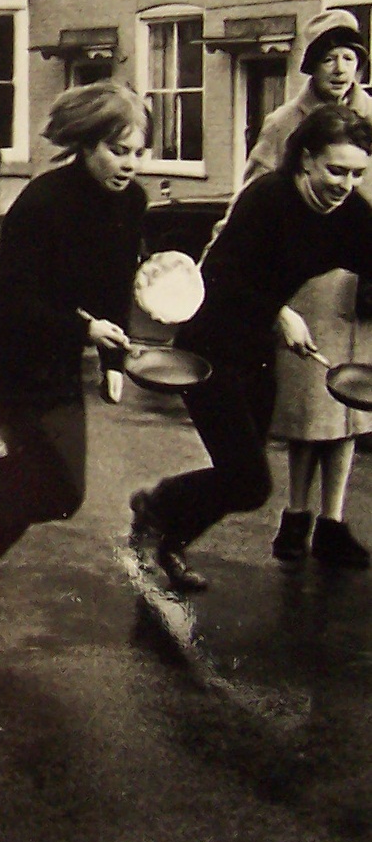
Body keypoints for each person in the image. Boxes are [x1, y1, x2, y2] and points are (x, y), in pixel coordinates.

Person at [0, 82, 149, 641]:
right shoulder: (42, 203)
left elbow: (118, 284)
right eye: (118, 151)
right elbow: (16, 296)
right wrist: (84, 327)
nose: (129, 165)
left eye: (138, 152)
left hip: (60, 355)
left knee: (59, 490)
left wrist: (113, 358)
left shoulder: (132, 201)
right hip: (7, 355)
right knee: (13, 482)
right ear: (87, 145)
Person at [131, 104, 372, 592]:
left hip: (257, 353)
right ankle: (160, 510)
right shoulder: (267, 199)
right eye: (336, 170)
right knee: (250, 481)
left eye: (357, 172)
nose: (345, 183)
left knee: (240, 477)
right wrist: (280, 313)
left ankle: (167, 526)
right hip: (208, 349)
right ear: (305, 160)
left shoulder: (349, 212)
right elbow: (218, 274)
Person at [236, 8, 372, 569]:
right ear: (310, 63)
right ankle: (295, 516)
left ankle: (334, 521)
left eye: (350, 57)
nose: (340, 69)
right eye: (328, 57)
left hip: (361, 274)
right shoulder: (284, 122)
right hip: (306, 281)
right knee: (309, 404)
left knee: (351, 403)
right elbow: (251, 194)